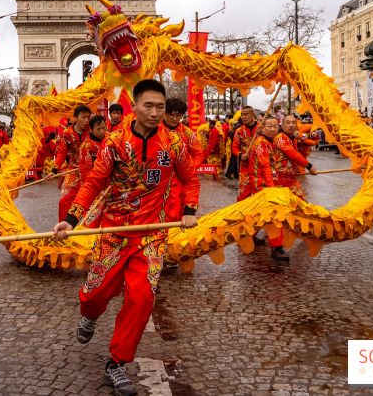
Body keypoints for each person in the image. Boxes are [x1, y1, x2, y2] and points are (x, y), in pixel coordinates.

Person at [52, 79, 199, 396]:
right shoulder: (114, 142)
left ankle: (117, 363)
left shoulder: (173, 144)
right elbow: (92, 183)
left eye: (160, 107)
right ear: (135, 106)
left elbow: (191, 179)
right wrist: (70, 220)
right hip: (113, 232)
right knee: (95, 294)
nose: (156, 112)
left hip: (151, 236)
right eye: (149, 105)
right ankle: (89, 316)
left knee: (142, 297)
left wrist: (189, 209)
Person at [270, 115, 318, 261]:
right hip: (278, 182)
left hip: (290, 180)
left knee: (302, 205)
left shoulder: (292, 138)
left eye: (293, 123)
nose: (291, 125)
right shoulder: (280, 138)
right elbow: (293, 154)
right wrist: (308, 166)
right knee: (278, 215)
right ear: (282, 125)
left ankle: (307, 230)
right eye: (287, 123)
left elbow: (298, 153)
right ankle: (276, 247)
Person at [49, 105, 91, 221]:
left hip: (92, 171)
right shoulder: (67, 133)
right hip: (73, 170)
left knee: (94, 202)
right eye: (83, 117)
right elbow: (62, 153)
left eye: (88, 117)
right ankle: (63, 230)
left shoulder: (93, 130)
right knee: (64, 201)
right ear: (75, 118)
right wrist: (54, 170)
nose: (86, 120)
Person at [233, 106, 259, 201]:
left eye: (246, 114)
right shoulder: (239, 131)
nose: (243, 117)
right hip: (245, 166)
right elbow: (234, 147)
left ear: (252, 115)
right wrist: (240, 155)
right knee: (243, 194)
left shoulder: (261, 129)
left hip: (260, 166)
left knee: (260, 193)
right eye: (242, 115)